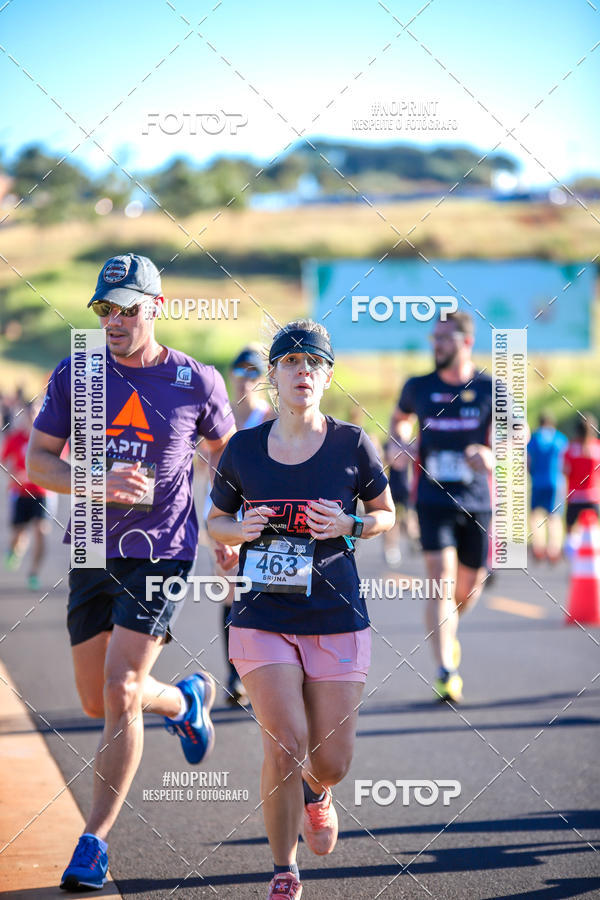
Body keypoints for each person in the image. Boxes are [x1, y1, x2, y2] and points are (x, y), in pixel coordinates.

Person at [26, 253, 236, 892]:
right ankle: (184, 699)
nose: (113, 320)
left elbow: (225, 458)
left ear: (157, 306)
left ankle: (93, 842)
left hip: (162, 548)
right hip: (91, 544)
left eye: (126, 307)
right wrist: (99, 481)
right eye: (102, 309)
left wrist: (227, 530)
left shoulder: (195, 381)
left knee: (119, 689)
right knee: (96, 700)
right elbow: (38, 461)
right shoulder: (78, 373)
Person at [207, 319, 394, 900]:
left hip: (336, 614)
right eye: (290, 362)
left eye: (314, 363)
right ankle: (283, 869)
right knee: (283, 743)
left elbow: (386, 514)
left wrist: (351, 524)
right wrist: (238, 529)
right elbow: (214, 520)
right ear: (274, 374)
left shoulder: (352, 444)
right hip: (262, 615)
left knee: (330, 759)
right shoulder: (243, 449)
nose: (302, 372)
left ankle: (320, 790)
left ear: (328, 375)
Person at [388, 311, 493, 703]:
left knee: (469, 589)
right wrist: (398, 442)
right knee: (441, 579)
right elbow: (399, 421)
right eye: (434, 338)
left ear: (466, 342)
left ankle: (448, 630)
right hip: (432, 499)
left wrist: (491, 453)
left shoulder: (488, 388)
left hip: (477, 501)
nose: (436, 345)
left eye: (445, 339)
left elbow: (518, 429)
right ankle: (446, 670)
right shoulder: (418, 386)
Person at [210, 345, 274, 706]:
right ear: (232, 374)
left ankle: (259, 672)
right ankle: (235, 674)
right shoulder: (219, 419)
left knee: (261, 594)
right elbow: (205, 468)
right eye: (241, 370)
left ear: (262, 379)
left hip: (260, 520)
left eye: (254, 372)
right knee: (230, 593)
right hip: (222, 518)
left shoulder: (270, 419)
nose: (247, 378)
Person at [1, 401, 50, 589]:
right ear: (24, 416)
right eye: (29, 414)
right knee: (19, 534)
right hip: (20, 493)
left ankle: (34, 573)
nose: (32, 417)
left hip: (42, 493)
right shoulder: (15, 439)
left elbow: (61, 463)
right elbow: (4, 462)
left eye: (36, 414)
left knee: (41, 530)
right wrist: (13, 475)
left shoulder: (48, 439)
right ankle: (14, 551)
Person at [527, 412, 568, 561]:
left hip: (538, 481)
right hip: (556, 481)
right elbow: (566, 462)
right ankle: (554, 549)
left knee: (536, 515)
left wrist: (530, 473)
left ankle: (538, 547)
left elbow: (528, 460)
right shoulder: (560, 438)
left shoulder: (534, 438)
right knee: (554, 516)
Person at [563, 413, 600, 533]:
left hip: (575, 496)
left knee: (570, 530)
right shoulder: (597, 447)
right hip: (593, 496)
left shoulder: (571, 448)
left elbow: (565, 470)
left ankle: (571, 550)